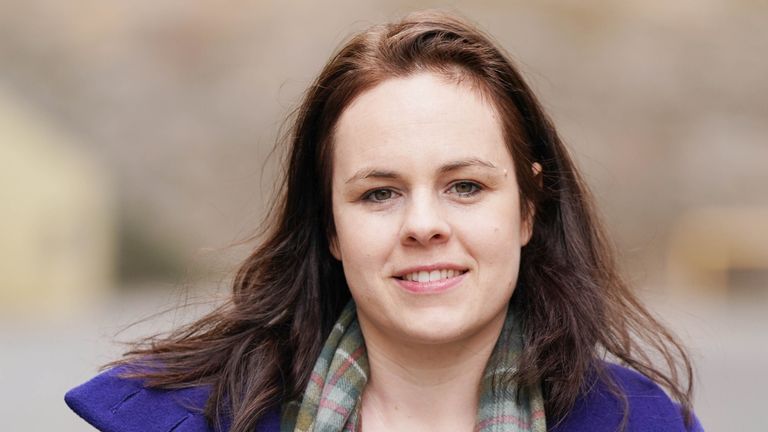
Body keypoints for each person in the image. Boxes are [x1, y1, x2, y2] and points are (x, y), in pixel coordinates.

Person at [65, 10, 703, 432]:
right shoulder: (173, 421)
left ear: (529, 207)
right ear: (331, 228)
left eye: (466, 186)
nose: (423, 225)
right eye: (378, 194)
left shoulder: (641, 423)